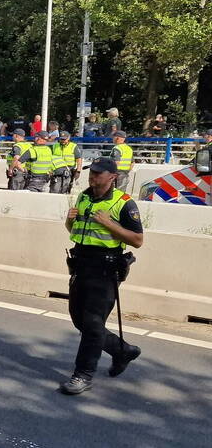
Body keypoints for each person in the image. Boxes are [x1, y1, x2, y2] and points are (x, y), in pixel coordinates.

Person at [60, 157, 144, 395]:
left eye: (98, 173)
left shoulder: (124, 203)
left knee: (93, 323)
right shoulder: (84, 197)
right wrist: (69, 221)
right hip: (80, 265)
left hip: (105, 269)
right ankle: (122, 351)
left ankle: (83, 374)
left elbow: (137, 240)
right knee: (79, 320)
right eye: (92, 172)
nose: (93, 176)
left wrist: (109, 224)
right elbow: (74, 231)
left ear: (112, 177)